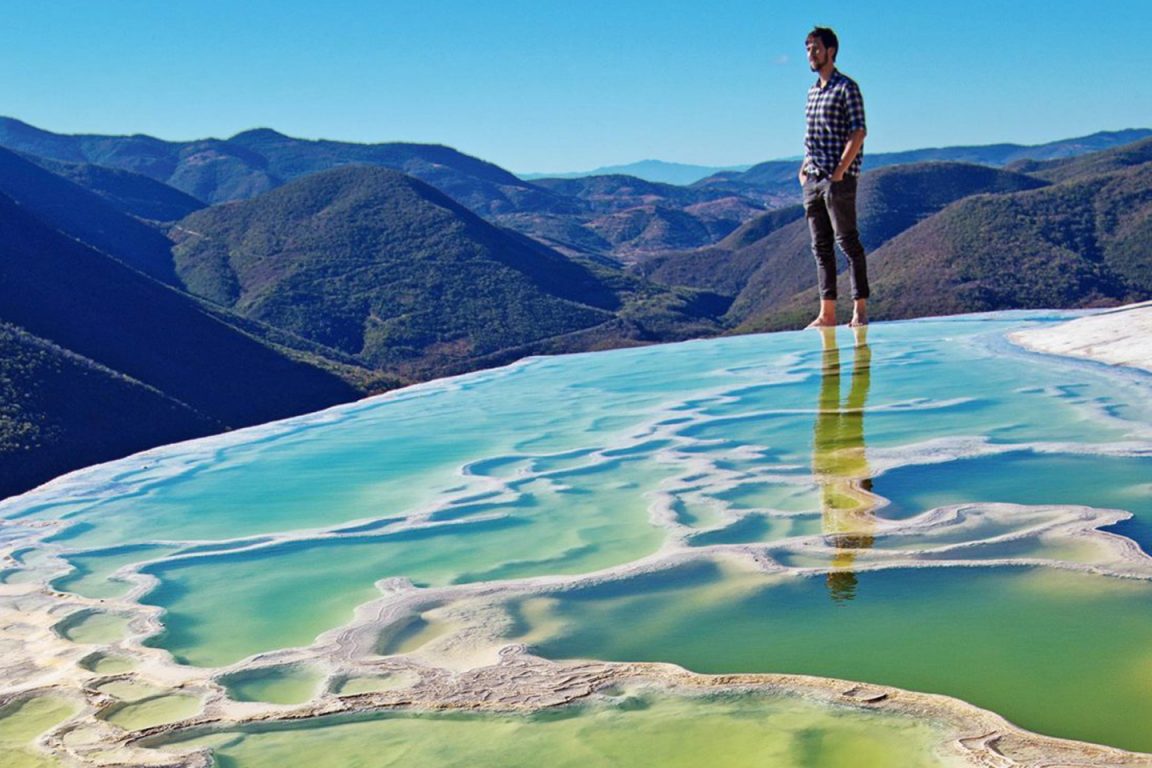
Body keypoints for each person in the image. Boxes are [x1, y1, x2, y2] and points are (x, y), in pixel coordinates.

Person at [799, 26, 870, 328]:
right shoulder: (812, 92)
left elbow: (859, 131)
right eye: (807, 49)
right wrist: (803, 169)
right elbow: (812, 136)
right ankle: (827, 314)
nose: (811, 55)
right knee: (821, 248)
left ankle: (860, 310)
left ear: (831, 51)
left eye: (815, 48)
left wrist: (840, 170)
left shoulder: (846, 88)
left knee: (847, 242)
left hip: (837, 179)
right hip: (812, 180)